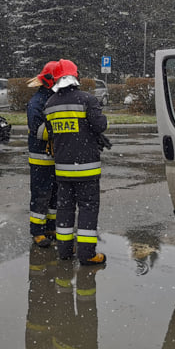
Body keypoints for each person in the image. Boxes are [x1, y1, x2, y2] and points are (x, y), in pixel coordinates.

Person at [43, 59, 109, 265]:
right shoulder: (87, 99)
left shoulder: (50, 104)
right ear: (75, 77)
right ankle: (87, 254)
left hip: (62, 169)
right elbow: (100, 126)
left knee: (65, 209)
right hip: (86, 168)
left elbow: (52, 133)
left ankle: (64, 251)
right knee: (88, 208)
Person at [26, 61, 59, 248]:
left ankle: (50, 227)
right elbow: (37, 131)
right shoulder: (37, 103)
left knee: (55, 194)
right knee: (40, 194)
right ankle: (37, 231)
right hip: (40, 158)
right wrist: (60, 131)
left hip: (55, 157)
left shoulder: (54, 99)